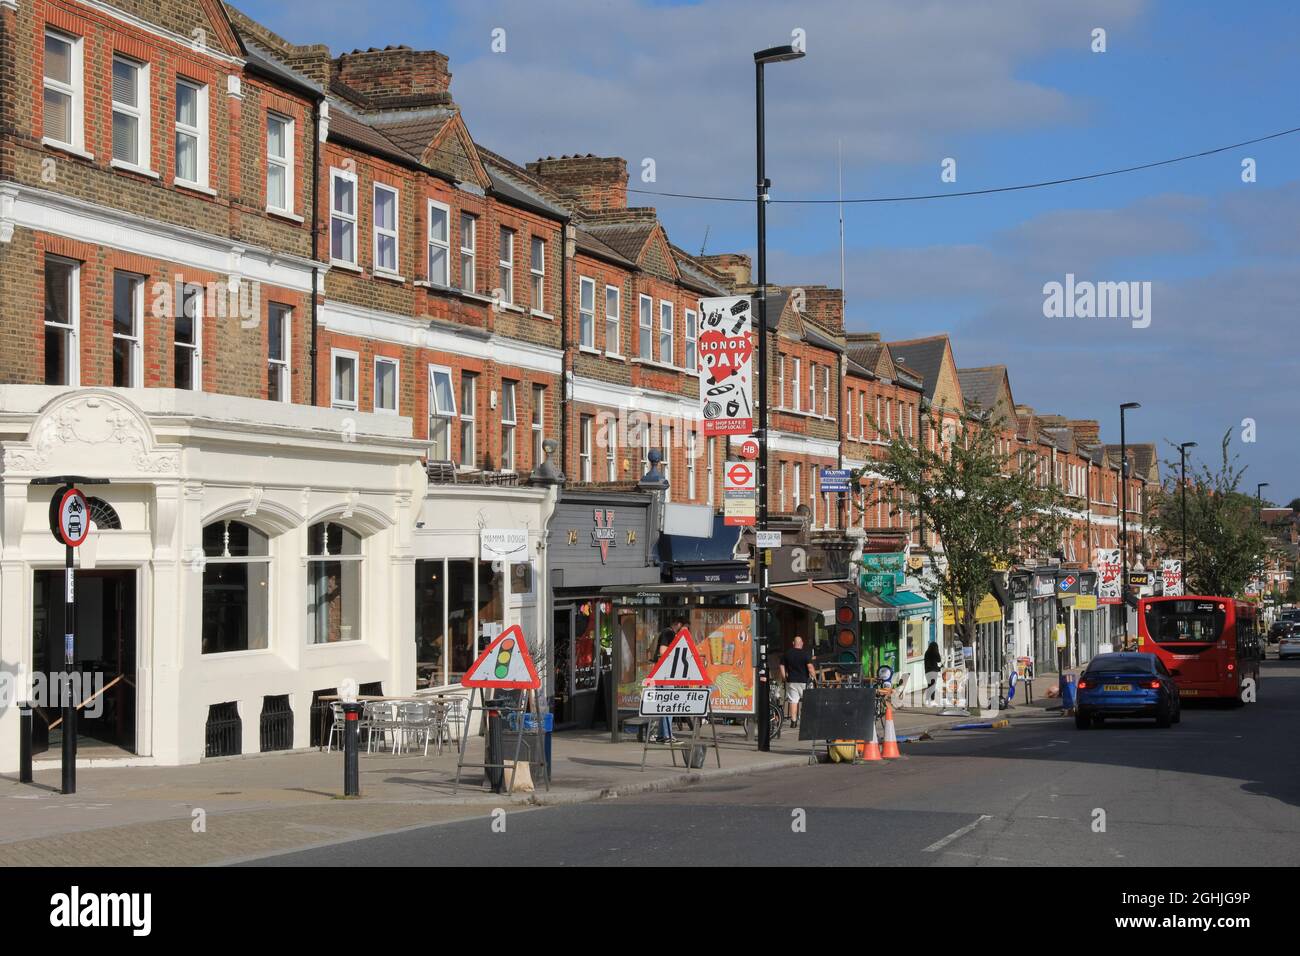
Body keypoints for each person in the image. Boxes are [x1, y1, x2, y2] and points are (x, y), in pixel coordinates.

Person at [778, 635, 816, 728]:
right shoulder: (805, 654)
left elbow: (781, 666)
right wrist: (815, 678)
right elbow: (810, 667)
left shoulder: (787, 654)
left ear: (793, 643)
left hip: (792, 681)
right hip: (804, 681)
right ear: (802, 643)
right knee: (808, 700)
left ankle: (793, 721)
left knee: (793, 701)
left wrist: (784, 677)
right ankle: (807, 721)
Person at [924, 639, 943, 704]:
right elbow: (939, 660)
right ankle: (932, 700)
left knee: (929, 685)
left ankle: (927, 700)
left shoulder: (926, 653)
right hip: (933, 672)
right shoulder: (935, 653)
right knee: (933, 686)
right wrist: (938, 652)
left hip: (927, 671)